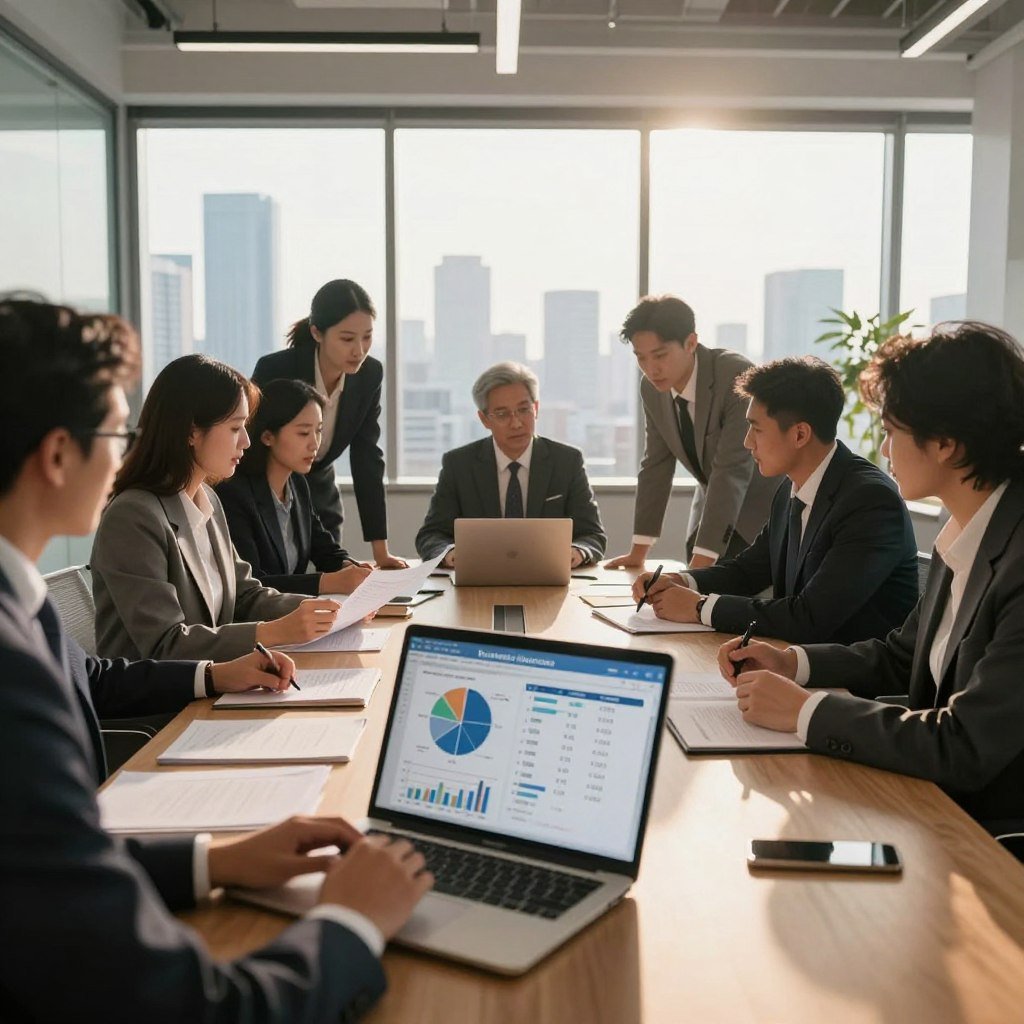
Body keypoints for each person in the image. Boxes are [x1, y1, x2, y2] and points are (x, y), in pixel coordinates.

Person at [0, 299, 432, 1022]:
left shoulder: (22, 601)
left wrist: (218, 862)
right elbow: (192, 1006)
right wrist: (351, 923)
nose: (122, 452)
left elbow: (39, 861)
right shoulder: (13, 666)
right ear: (55, 455)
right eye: (114, 429)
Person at [719, 323, 1024, 833]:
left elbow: (965, 744)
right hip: (926, 801)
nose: (884, 450)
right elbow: (900, 656)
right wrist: (791, 661)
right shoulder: (967, 530)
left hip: (983, 836)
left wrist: (807, 712)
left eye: (891, 432)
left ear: (945, 442)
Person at [632, 357, 919, 643]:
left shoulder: (869, 501)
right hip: (792, 664)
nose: (747, 442)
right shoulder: (789, 490)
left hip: (848, 682)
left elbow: (809, 617)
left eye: (756, 429)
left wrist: (699, 607)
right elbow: (748, 572)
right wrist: (681, 580)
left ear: (800, 434)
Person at [91, 354, 341, 662]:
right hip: (163, 707)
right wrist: (273, 632)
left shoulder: (207, 500)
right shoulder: (134, 517)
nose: (247, 442)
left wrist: (324, 611)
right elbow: (164, 644)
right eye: (236, 428)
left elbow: (246, 596)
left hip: (216, 687)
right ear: (192, 432)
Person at [605, 295, 780, 570]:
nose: (651, 369)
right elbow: (656, 465)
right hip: (712, 510)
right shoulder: (652, 388)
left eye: (660, 355)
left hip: (762, 510)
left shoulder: (735, 375)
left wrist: (696, 572)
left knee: (716, 592)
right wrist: (638, 553)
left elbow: (731, 471)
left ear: (691, 342)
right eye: (641, 358)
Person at [252, 279, 407, 567]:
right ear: (317, 332)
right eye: (347, 339)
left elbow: (367, 456)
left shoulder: (369, 374)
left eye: (368, 337)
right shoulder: (277, 369)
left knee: (337, 571)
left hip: (320, 484)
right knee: (279, 571)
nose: (359, 350)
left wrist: (381, 552)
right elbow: (251, 439)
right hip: (265, 483)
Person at [415, 362, 606, 567]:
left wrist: (577, 552)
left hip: (548, 578)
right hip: (479, 579)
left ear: (537, 408)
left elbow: (592, 535)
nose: (516, 423)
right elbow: (431, 535)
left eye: (524, 410)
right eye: (502, 414)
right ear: (484, 419)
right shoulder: (459, 465)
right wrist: (451, 553)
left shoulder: (567, 462)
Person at [217, 378, 374, 596]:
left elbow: (325, 550)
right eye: (303, 433)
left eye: (318, 431)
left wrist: (349, 568)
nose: (314, 443)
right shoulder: (234, 494)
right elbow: (252, 584)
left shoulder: (297, 484)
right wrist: (329, 583)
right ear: (268, 436)